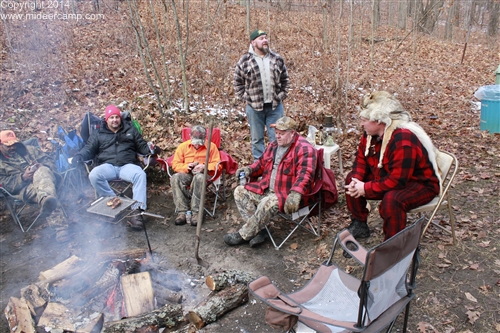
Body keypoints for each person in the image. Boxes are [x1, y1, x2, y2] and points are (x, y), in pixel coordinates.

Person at [345, 91, 441, 241]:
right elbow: (361, 159)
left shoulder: (403, 138)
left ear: (378, 120)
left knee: (392, 199)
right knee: (351, 178)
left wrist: (366, 188)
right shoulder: (370, 134)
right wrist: (357, 181)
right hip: (389, 175)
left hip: (419, 184)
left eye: (364, 120)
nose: (361, 124)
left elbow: (398, 180)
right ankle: (359, 224)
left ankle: (392, 244)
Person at [223, 116, 317, 247]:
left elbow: (306, 174)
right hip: (267, 188)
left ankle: (243, 235)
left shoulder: (304, 148)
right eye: (276, 133)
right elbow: (261, 164)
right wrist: (249, 169)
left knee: (267, 203)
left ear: (292, 133)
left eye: (281, 134)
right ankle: (259, 231)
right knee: (240, 191)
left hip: (287, 194)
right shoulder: (274, 145)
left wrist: (296, 193)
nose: (277, 136)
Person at [72, 105, 156, 231]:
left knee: (140, 175)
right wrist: (79, 156)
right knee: (94, 175)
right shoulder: (98, 133)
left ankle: (137, 211)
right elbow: (88, 149)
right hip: (107, 165)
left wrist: (152, 150)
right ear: (107, 119)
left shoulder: (130, 130)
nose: (115, 120)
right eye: (112, 117)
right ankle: (115, 202)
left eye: (117, 117)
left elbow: (142, 146)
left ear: (120, 118)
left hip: (127, 165)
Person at [0, 130, 70, 241]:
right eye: (9, 146)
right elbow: (5, 185)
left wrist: (43, 165)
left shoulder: (29, 151)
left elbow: (49, 161)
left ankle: (47, 204)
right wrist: (23, 177)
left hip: (47, 178)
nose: (13, 148)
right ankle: (58, 224)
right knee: (47, 192)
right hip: (24, 188)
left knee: (42, 172)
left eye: (14, 144)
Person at [234, 29, 290, 161]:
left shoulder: (276, 59)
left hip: (275, 107)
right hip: (254, 108)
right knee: (257, 139)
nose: (265, 40)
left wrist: (281, 96)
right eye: (261, 38)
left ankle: (276, 165)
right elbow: (238, 83)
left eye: (265, 38)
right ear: (253, 42)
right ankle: (260, 167)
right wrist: (247, 98)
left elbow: (285, 81)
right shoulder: (244, 61)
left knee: (277, 138)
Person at [170, 125, 221, 227]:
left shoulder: (211, 147)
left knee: (199, 178)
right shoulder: (183, 147)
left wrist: (205, 167)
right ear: (190, 137)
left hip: (204, 175)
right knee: (175, 177)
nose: (197, 146)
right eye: (195, 143)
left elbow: (218, 165)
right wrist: (186, 167)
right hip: (188, 174)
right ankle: (182, 212)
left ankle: (196, 213)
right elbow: (175, 164)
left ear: (205, 138)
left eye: (199, 143)